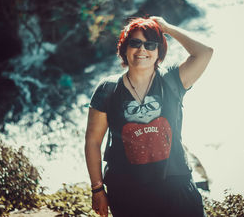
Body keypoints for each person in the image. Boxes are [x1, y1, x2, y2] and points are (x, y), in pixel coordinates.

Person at [85, 16, 213, 217]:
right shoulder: (107, 89)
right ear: (124, 49)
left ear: (159, 52)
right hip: (127, 193)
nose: (142, 49)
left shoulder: (173, 80)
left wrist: (167, 28)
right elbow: (93, 142)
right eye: (135, 43)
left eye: (150, 44)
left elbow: (205, 52)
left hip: (176, 188)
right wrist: (97, 189)